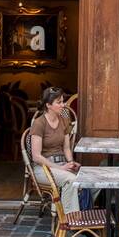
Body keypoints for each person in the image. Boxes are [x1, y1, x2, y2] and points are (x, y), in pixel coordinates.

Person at [30, 87, 81, 215]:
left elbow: (66, 147)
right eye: (59, 102)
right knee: (71, 180)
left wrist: (71, 163)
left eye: (63, 101)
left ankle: (85, 217)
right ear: (48, 105)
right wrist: (60, 169)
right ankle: (69, 223)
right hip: (43, 168)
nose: (63, 105)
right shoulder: (38, 123)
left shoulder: (64, 120)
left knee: (88, 178)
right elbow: (36, 156)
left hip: (61, 164)